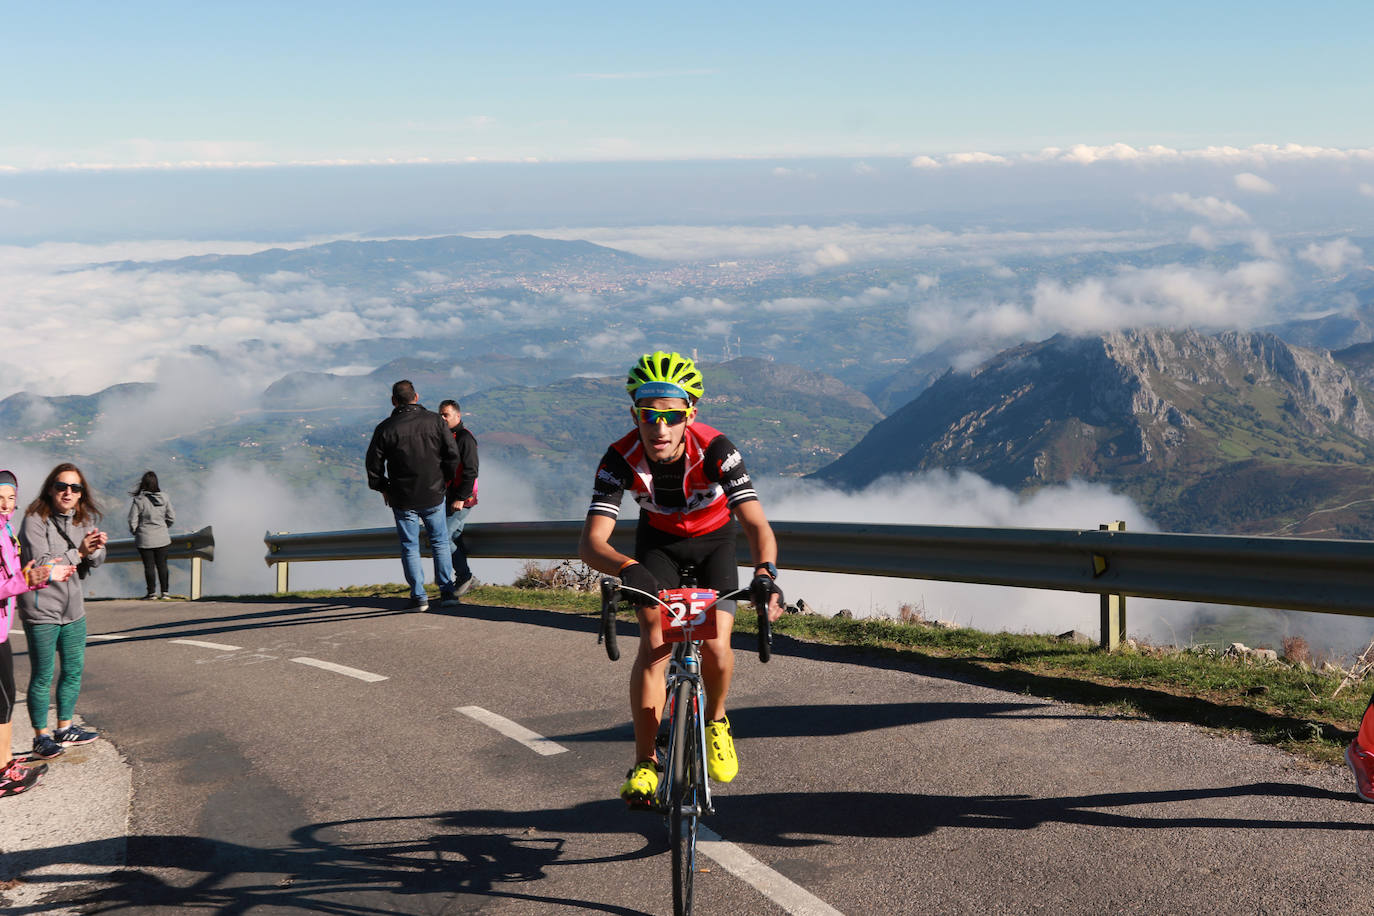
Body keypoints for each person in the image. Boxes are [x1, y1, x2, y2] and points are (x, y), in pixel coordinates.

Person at [578, 350, 784, 803]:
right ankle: (646, 762)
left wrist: (766, 572)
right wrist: (628, 567)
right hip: (658, 546)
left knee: (716, 643)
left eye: (671, 416)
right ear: (636, 414)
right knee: (654, 643)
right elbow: (592, 543)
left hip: (715, 543)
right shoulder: (619, 458)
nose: (660, 427)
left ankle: (715, 719)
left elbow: (756, 525)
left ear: (690, 413)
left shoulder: (717, 450)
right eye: (649, 416)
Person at [18, 463, 107, 760]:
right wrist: (79, 552)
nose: (68, 492)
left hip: (74, 610)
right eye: (61, 486)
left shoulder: (83, 519)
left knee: (73, 670)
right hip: (41, 609)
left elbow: (95, 561)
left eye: (75, 488)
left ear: (82, 493)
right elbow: (43, 564)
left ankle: (65, 727)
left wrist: (95, 548)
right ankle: (40, 736)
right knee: (43, 675)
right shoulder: (35, 519)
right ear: (50, 488)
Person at [0, 470, 72, 796]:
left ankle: (4, 767)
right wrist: (28, 581)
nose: (6, 504)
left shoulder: (6, 530)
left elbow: (13, 575)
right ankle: (4, 773)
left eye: (11, 498)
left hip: (1, 631)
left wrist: (34, 576)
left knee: (4, 699)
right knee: (2, 702)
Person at [365, 380, 460, 612]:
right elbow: (452, 455)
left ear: (393, 401)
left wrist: (384, 488)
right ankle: (447, 592)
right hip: (433, 494)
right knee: (439, 542)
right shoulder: (436, 421)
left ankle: (419, 597)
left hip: (402, 497)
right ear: (416, 397)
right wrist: (443, 482)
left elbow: (373, 465)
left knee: (409, 546)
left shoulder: (385, 428)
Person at [438, 399, 479, 599]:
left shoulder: (465, 438)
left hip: (462, 499)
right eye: (440, 415)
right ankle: (465, 578)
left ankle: (465, 576)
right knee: (453, 537)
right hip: (450, 497)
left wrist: (461, 497)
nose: (442, 418)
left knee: (442, 537)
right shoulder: (448, 437)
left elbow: (471, 471)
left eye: (446, 415)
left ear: (457, 416)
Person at [128, 470, 176, 600]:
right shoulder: (165, 497)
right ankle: (165, 593)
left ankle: (151, 593)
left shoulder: (139, 500)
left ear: (144, 484)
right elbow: (171, 517)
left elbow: (132, 520)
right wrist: (164, 527)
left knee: (149, 567)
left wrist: (136, 531)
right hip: (162, 537)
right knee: (162, 565)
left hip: (144, 538)